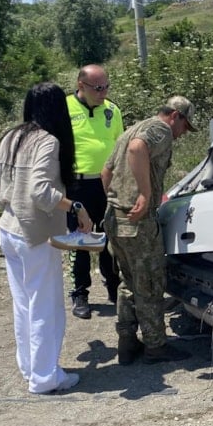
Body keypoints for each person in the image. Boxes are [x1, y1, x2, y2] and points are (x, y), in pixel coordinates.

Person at [0, 82, 93, 394]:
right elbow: (40, 191)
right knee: (46, 307)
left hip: (8, 229)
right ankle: (46, 377)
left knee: (24, 305)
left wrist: (12, 205)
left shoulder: (12, 136)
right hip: (35, 235)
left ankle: (31, 368)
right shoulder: (47, 141)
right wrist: (76, 207)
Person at [101, 96, 196, 365]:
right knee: (151, 284)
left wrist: (117, 202)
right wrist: (143, 194)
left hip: (115, 219)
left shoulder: (131, 128)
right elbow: (137, 149)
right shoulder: (160, 129)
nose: (182, 134)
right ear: (175, 116)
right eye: (185, 126)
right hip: (139, 223)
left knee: (129, 282)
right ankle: (156, 347)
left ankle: (127, 342)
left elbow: (106, 172)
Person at [65, 64, 124, 319]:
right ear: (81, 85)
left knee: (109, 236)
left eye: (106, 87)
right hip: (77, 184)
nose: (103, 92)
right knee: (80, 239)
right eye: (98, 88)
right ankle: (80, 293)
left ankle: (113, 286)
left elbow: (120, 145)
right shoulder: (64, 108)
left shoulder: (112, 110)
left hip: (106, 183)